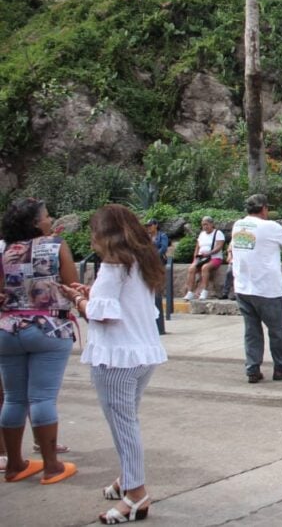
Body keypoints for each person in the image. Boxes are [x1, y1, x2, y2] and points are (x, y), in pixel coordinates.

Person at [60, 205, 167, 523]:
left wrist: (77, 300)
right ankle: (128, 479)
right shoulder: (142, 261)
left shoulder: (112, 265)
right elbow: (125, 303)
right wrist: (91, 295)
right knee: (128, 421)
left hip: (117, 357)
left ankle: (136, 495)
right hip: (142, 354)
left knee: (123, 425)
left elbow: (100, 314)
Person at [0, 197, 78, 484]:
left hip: (8, 330)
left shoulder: (4, 250)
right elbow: (71, 283)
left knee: (13, 398)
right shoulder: (56, 246)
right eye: (46, 216)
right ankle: (52, 466)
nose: (49, 219)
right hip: (48, 328)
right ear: (35, 222)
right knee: (42, 398)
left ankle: (14, 465)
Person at [231, 194, 282, 384]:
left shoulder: (238, 226)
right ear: (264, 208)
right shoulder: (269, 227)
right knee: (277, 330)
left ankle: (252, 369)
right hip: (266, 288)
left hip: (243, 287)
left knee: (251, 330)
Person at [183, 216, 225, 301]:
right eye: (203, 225)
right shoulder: (202, 234)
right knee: (191, 269)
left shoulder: (218, 233)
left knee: (205, 268)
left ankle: (204, 291)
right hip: (201, 258)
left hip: (214, 257)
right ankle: (190, 292)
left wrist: (209, 253)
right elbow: (197, 247)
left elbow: (219, 246)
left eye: (207, 224)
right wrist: (195, 258)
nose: (205, 226)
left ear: (212, 224)